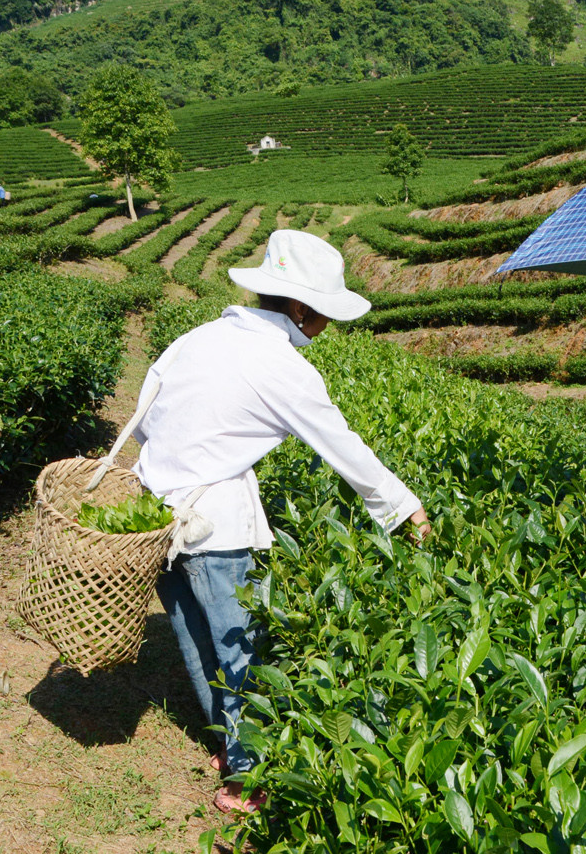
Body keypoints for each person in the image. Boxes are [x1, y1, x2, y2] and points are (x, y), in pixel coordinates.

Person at [129, 229, 430, 813]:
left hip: (154, 514)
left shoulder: (197, 339)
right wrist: (401, 506)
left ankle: (225, 746)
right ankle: (245, 777)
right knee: (239, 645)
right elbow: (341, 445)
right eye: (324, 314)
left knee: (194, 637)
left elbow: (144, 418)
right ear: (299, 308)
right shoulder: (281, 365)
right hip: (214, 525)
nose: (326, 327)